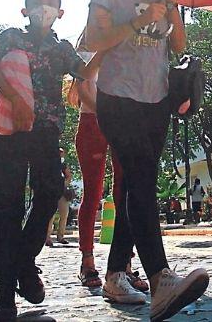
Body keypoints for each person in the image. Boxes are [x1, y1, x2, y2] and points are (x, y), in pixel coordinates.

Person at [84, 0, 208, 320]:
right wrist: (137, 22)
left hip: (156, 101)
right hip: (117, 98)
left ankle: (116, 272)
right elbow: (93, 38)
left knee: (137, 185)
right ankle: (159, 278)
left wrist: (170, 1)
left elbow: (178, 45)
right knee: (139, 179)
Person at [0, 0, 89, 322]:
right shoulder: (12, 36)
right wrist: (15, 99)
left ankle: (23, 263)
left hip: (46, 132)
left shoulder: (63, 48)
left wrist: (111, 38)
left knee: (51, 191)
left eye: (50, 3)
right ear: (25, 9)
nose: (44, 8)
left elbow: (86, 70)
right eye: (37, 2)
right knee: (9, 206)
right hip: (11, 130)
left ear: (60, 12)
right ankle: (3, 296)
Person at [68, 45, 148, 292]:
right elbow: (82, 89)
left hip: (122, 124)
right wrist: (107, 115)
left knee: (123, 193)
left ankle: (124, 262)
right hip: (92, 121)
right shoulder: (86, 48)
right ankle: (87, 261)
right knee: (92, 193)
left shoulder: (126, 45)